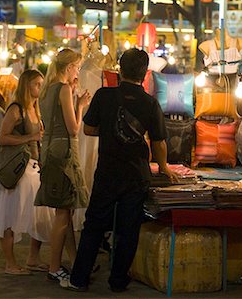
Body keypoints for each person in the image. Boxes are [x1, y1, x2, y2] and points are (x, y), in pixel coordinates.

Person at [61, 48, 179, 293]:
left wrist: (109, 132)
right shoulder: (150, 102)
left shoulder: (104, 96)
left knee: (93, 225)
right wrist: (165, 167)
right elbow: (159, 142)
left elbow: (88, 130)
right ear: (144, 74)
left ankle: (79, 279)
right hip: (136, 175)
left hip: (107, 171)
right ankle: (117, 281)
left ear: (120, 70)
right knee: (128, 230)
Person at [0, 69, 55, 275]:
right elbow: (2, 138)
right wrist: (30, 137)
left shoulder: (36, 108)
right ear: (26, 86)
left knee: (39, 215)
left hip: (33, 168)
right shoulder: (16, 109)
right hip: (17, 170)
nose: (40, 88)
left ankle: (33, 258)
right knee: (10, 216)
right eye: (36, 84)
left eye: (41, 83)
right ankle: (10, 263)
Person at [34, 48, 91, 283]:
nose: (78, 71)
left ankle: (72, 260)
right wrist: (81, 105)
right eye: (77, 67)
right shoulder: (63, 89)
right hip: (63, 152)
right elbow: (74, 128)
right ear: (69, 68)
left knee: (63, 209)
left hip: (48, 150)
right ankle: (55, 267)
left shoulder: (47, 90)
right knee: (62, 213)